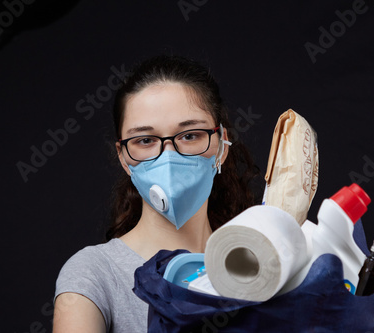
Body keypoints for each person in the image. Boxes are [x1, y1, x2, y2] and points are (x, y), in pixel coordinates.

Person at [53, 55, 259, 333]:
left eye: (190, 135)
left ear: (221, 144)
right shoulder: (95, 273)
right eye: (146, 140)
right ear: (124, 157)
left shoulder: (260, 265)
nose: (169, 157)